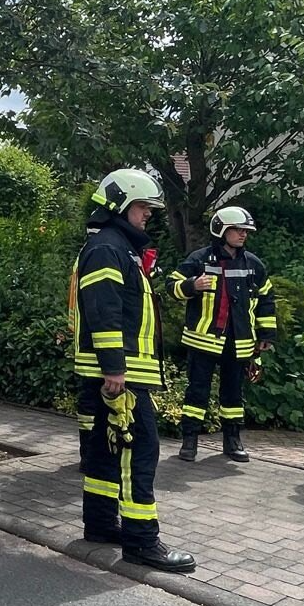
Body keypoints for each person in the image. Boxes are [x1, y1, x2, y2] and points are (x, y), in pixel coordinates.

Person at [69, 168, 195, 573]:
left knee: (105, 452)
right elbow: (105, 312)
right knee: (139, 452)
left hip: (113, 373)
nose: (148, 215)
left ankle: (102, 525)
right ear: (120, 206)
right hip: (119, 376)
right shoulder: (109, 248)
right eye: (142, 207)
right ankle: (142, 542)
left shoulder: (115, 247)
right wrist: (115, 370)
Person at [166, 206, 277, 463]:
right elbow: (171, 286)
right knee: (197, 392)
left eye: (245, 231)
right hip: (203, 339)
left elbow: (266, 300)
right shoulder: (199, 259)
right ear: (221, 230)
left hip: (238, 341)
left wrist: (266, 334)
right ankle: (190, 441)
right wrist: (191, 285)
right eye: (238, 230)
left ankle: (232, 441)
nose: (243, 235)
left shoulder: (253, 265)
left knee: (233, 394)